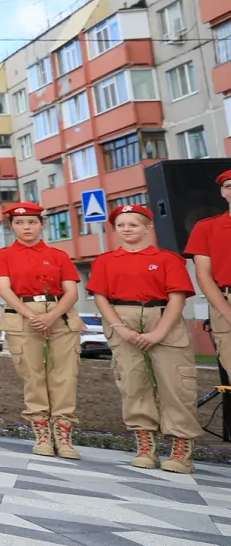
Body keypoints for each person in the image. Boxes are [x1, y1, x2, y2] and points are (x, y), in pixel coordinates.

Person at [89, 203, 201, 473]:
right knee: (133, 382)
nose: (127, 229)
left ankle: (180, 450)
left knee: (175, 384)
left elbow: (177, 298)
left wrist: (159, 332)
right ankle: (145, 446)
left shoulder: (167, 259)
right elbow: (101, 298)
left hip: (162, 318)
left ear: (148, 228)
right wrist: (119, 327)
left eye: (134, 224)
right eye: (121, 225)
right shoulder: (105, 260)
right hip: (121, 318)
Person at [0, 202, 84, 458]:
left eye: (32, 222)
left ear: (42, 224)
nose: (26, 227)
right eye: (19, 223)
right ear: (12, 227)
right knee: (33, 375)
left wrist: (51, 316)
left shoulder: (59, 255)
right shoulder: (4, 255)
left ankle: (63, 435)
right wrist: (32, 315)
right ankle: (42, 432)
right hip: (23, 318)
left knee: (64, 376)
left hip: (60, 318)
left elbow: (72, 291)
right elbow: (4, 289)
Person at [180, 168, 231, 396]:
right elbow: (203, 275)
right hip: (225, 301)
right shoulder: (206, 227)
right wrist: (228, 314)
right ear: (222, 193)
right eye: (229, 186)